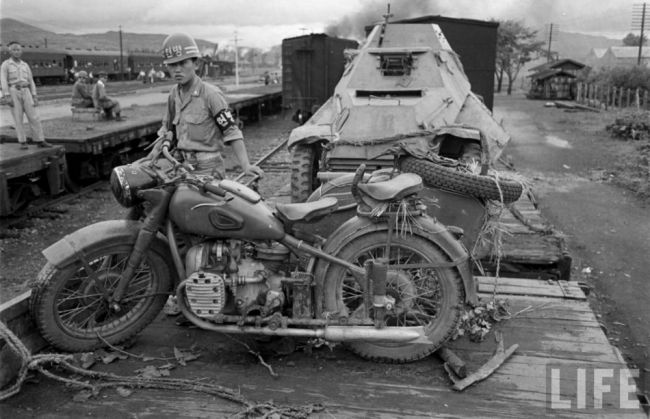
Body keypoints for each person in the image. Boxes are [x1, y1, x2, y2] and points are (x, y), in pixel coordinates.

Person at [154, 32, 264, 179]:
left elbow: (231, 132)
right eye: (172, 65)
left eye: (183, 63)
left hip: (208, 169)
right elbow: (167, 129)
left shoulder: (211, 95)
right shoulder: (174, 95)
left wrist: (246, 165)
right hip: (181, 166)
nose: (177, 69)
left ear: (196, 64)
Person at [0, 41, 52, 149]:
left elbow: (31, 80)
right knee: (18, 118)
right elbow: (3, 81)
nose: (16, 52)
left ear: (21, 51)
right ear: (9, 51)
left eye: (18, 49)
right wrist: (6, 95)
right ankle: (22, 142)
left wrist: (34, 95)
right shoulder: (6, 65)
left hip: (26, 91)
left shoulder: (25, 65)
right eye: (14, 49)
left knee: (34, 117)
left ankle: (40, 140)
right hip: (13, 91)